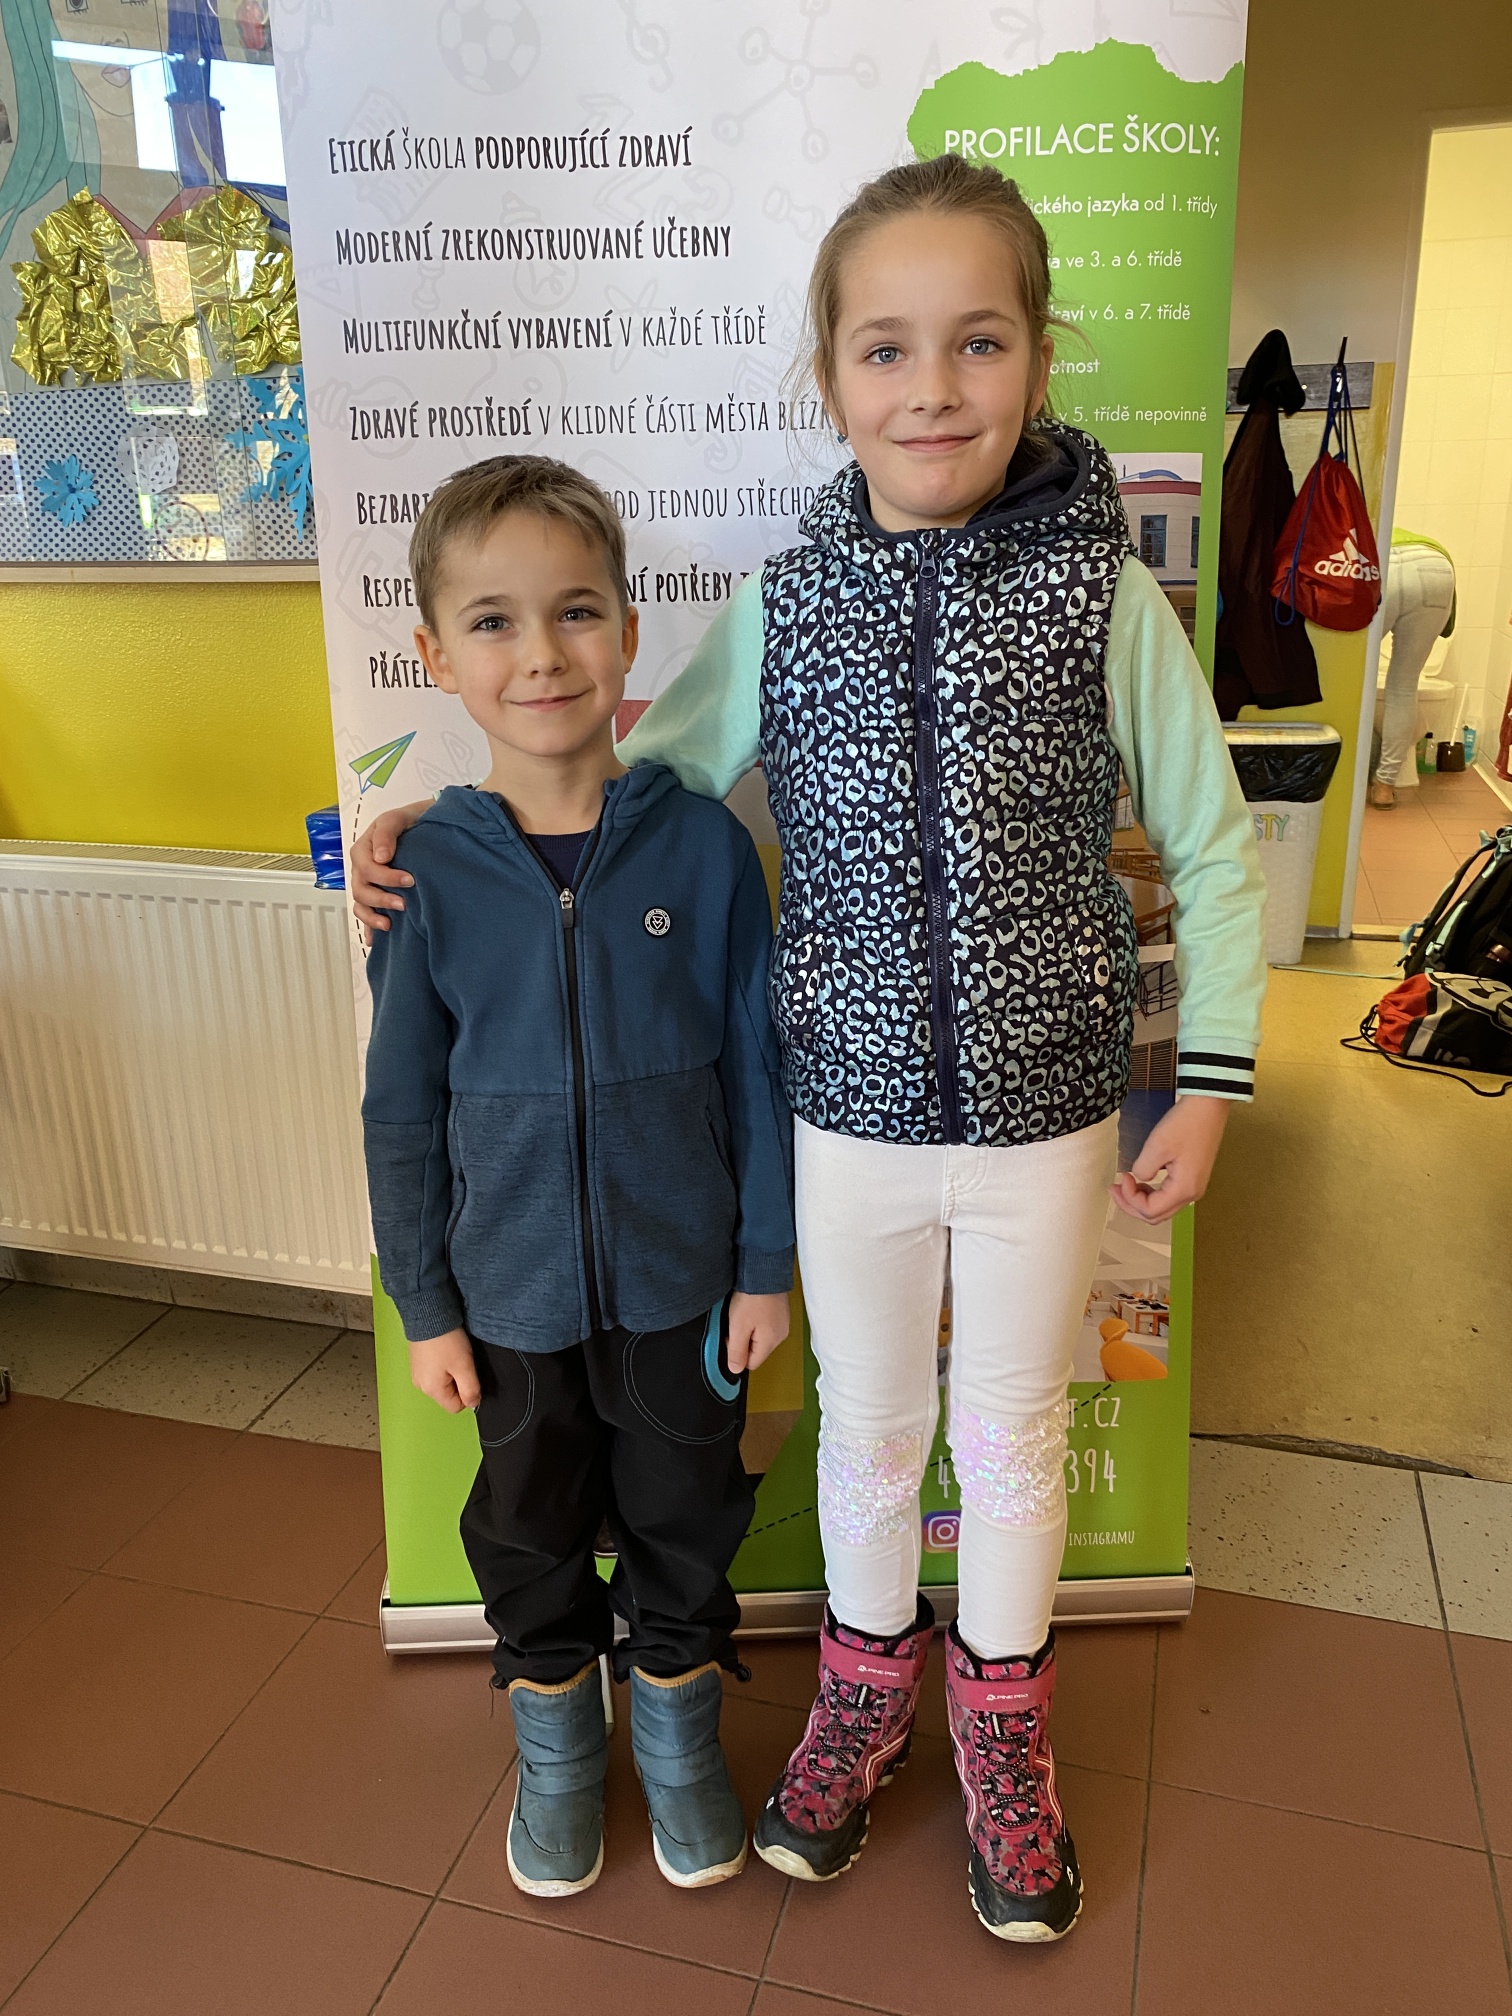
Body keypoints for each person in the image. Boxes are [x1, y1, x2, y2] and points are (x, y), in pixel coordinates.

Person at [353, 156, 1266, 1946]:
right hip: (838, 1119)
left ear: (1038, 355)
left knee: (1011, 1429)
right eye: (884, 348)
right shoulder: (788, 603)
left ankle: (1002, 1735)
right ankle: (858, 1701)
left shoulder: (1105, 602)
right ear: (829, 375)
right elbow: (628, 779)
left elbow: (1213, 849)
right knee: (870, 1427)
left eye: (978, 341)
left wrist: (1212, 1085)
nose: (932, 387)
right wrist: (430, 821)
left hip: (1044, 1118)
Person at [361, 456, 794, 1900]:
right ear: (435, 654)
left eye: (575, 611)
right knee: (528, 1528)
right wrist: (427, 1304)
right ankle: (556, 1751)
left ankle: (676, 1739)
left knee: (686, 1516)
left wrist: (764, 1267)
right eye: (492, 621)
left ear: (628, 629)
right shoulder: (427, 874)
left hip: (685, 1287)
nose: (540, 653)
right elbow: (401, 1112)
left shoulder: (706, 847)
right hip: (509, 1300)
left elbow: (758, 1070)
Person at [1370, 531, 1457, 807]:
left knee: (1350, 677)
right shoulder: (1416, 539)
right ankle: (1384, 787)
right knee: (1403, 687)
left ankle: (1345, 776)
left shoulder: (1373, 533)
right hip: (1437, 569)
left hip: (1384, 568)